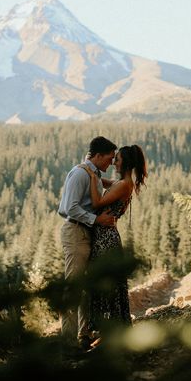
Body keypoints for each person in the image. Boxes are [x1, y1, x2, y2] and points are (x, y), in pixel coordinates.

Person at [58, 136, 117, 349]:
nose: (111, 162)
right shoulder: (80, 173)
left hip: (86, 233)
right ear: (98, 155)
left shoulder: (94, 175)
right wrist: (96, 219)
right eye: (109, 158)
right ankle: (67, 341)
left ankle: (83, 335)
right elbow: (68, 207)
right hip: (75, 231)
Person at [82, 144, 147, 329]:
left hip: (105, 238)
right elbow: (105, 184)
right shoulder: (123, 183)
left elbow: (97, 202)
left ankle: (107, 327)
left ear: (125, 163)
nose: (113, 163)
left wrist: (92, 175)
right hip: (107, 235)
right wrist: (91, 170)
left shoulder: (124, 185)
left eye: (116, 160)